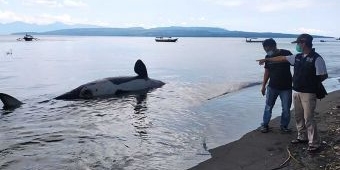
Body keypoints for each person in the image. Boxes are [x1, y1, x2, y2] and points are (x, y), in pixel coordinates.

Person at [256, 34, 328, 152]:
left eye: (298, 43)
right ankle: (302, 137)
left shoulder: (317, 58)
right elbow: (281, 58)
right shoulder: (298, 56)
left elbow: (323, 75)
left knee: (308, 118)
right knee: (298, 116)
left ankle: (314, 143)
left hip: (308, 92)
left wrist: (310, 84)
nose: (297, 45)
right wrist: (267, 59)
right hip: (296, 91)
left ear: (303, 43)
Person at [259, 38, 293, 133]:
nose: (267, 51)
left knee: (286, 108)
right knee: (268, 107)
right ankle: (265, 125)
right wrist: (263, 86)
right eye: (265, 49)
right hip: (272, 87)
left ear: (274, 46)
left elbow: (296, 64)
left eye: (268, 49)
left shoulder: (286, 53)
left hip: (286, 87)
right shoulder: (267, 57)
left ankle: (284, 126)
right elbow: (267, 72)